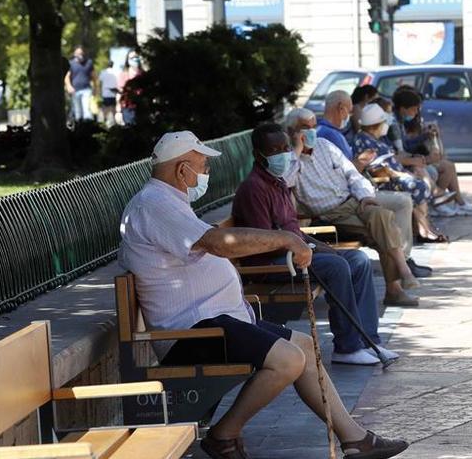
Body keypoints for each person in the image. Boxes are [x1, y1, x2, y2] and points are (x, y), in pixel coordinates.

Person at [118, 130, 408, 459]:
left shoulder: (167, 201)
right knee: (288, 360)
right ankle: (223, 435)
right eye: (203, 166)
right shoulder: (154, 204)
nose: (205, 174)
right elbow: (217, 243)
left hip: (215, 320)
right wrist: (285, 239)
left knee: (305, 348)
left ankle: (355, 439)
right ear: (182, 169)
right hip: (192, 330)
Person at [233, 123, 399, 366]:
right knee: (335, 267)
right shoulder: (254, 188)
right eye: (274, 150)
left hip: (295, 252)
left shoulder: (278, 183)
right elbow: (263, 241)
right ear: (259, 155)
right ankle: (347, 347)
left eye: (285, 148)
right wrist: (307, 249)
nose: (283, 154)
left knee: (358, 260)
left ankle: (369, 341)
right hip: (273, 265)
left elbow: (293, 230)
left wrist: (319, 247)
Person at [287, 107, 432, 280]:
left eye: (313, 126)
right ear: (292, 131)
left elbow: (352, 174)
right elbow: (284, 182)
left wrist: (365, 196)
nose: (311, 132)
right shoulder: (289, 159)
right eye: (305, 127)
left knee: (385, 215)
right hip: (331, 214)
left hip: (355, 200)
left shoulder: (324, 145)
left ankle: (403, 271)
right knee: (383, 229)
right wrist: (297, 149)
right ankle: (399, 280)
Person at [354, 104, 450, 243]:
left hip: (394, 175)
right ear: (375, 125)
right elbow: (374, 166)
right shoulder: (364, 140)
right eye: (383, 123)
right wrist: (399, 174)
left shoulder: (372, 138)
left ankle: (425, 228)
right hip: (386, 180)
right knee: (418, 186)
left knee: (419, 179)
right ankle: (424, 230)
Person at [391, 88, 472, 216]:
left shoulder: (400, 122)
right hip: (405, 162)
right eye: (414, 109)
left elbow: (406, 145)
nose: (416, 113)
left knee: (448, 165)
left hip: (411, 158)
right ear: (403, 108)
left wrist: (425, 136)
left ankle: (457, 202)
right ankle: (437, 201)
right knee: (429, 169)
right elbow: (402, 150)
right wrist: (424, 157)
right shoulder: (393, 124)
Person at [317, 90, 376, 172]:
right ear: (341, 108)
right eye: (349, 111)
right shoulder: (331, 135)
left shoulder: (320, 130)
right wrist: (363, 161)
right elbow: (345, 172)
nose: (350, 116)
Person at [65, 46, 95, 121]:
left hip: (86, 89)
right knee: (77, 111)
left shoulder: (89, 62)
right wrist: (69, 86)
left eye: (81, 53)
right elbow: (67, 77)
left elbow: (94, 76)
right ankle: (78, 127)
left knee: (86, 110)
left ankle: (88, 126)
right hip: (75, 90)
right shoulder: (71, 63)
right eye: (78, 53)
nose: (79, 55)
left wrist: (96, 88)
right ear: (74, 54)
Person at [116, 50, 143, 126]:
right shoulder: (123, 74)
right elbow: (119, 92)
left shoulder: (142, 74)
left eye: (136, 57)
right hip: (127, 107)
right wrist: (118, 110)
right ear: (127, 60)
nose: (134, 59)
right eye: (132, 57)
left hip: (141, 107)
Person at [98, 61, 118, 126]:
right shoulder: (116, 72)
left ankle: (106, 121)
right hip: (114, 93)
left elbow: (100, 82)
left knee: (106, 108)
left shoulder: (103, 72)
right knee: (113, 108)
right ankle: (114, 122)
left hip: (106, 93)